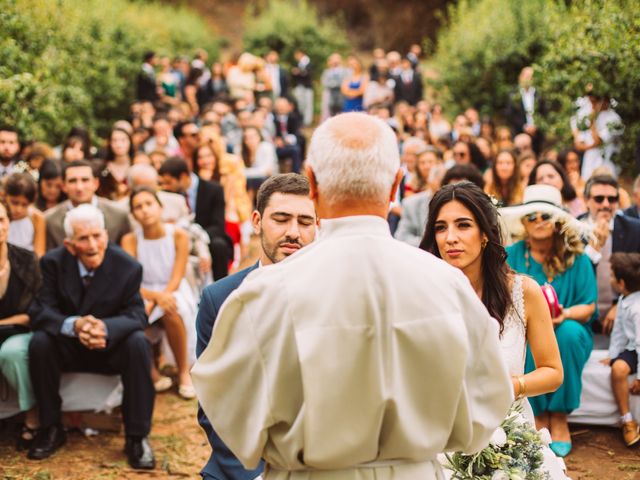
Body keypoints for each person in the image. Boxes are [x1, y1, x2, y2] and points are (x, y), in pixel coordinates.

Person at [192, 112, 513, 479]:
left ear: (311, 182)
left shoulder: (266, 292)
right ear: (396, 185)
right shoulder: (448, 285)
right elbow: (488, 400)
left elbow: (228, 407)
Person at [420, 182, 566, 478]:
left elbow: (553, 372)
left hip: (508, 433)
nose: (450, 238)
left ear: (485, 233)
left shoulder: (523, 292)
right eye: (440, 227)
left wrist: (511, 386)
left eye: (463, 226)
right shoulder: (423, 296)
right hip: (439, 434)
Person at [196, 173, 316, 480]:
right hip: (242, 462)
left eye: (305, 221)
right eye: (281, 218)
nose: (294, 232)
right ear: (256, 220)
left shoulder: (338, 296)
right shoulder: (219, 298)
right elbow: (214, 407)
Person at [27, 204, 155, 468]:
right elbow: (40, 310)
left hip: (109, 348)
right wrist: (74, 326)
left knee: (139, 343)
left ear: (106, 236)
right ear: (70, 244)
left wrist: (105, 329)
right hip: (68, 347)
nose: (93, 244)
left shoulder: (128, 266)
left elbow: (137, 315)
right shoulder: (52, 262)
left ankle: (136, 437)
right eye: (83, 238)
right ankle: (50, 428)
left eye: (97, 236)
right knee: (40, 341)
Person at [501, 184, 597, 457]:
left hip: (570, 325)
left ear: (557, 221)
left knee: (565, 334)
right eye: (532, 216)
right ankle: (539, 414)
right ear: (524, 222)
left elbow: (588, 306)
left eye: (545, 216)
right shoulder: (511, 254)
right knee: (528, 335)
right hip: (523, 324)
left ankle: (559, 417)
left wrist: (563, 314)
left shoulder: (577, 257)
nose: (539, 222)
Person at [122, 187, 196, 399]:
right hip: (142, 290)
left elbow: (178, 274)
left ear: (160, 207)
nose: (144, 210)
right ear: (133, 214)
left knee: (171, 309)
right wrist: (151, 298)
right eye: (138, 207)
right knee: (134, 317)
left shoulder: (178, 235)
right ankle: (152, 374)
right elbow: (131, 280)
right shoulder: (131, 240)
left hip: (173, 287)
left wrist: (161, 297)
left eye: (149, 204)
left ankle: (183, 372)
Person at [0, 199, 41, 450]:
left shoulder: (26, 260)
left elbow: (34, 312)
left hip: (18, 332)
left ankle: (32, 417)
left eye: (1, 220)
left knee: (12, 353)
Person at [579, 175, 640, 334]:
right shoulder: (572, 230)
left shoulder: (634, 230)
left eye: (612, 199)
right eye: (599, 199)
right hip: (583, 316)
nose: (606, 204)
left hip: (626, 318)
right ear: (586, 201)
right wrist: (593, 248)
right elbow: (574, 277)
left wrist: (620, 304)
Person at [158, 158, 232, 280]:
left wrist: (197, 237)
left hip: (207, 236)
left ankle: (221, 287)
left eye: (169, 182)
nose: (166, 186)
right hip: (178, 237)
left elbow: (218, 226)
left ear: (182, 177)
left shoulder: (214, 189)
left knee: (219, 245)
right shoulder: (168, 194)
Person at [600, 252, 640, 446]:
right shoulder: (624, 301)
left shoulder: (637, 308)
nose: (610, 279)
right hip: (634, 348)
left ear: (622, 283)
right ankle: (627, 419)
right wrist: (613, 355)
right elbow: (620, 334)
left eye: (612, 276)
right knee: (618, 369)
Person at [45, 160, 132, 250]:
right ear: (63, 186)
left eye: (85, 180)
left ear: (96, 183)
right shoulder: (50, 220)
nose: (79, 187)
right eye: (72, 181)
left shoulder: (119, 215)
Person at [506, 66, 546, 155]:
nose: (529, 79)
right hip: (519, 132)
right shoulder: (513, 94)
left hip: (537, 135)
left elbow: (544, 113)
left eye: (531, 77)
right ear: (520, 78)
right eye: (526, 76)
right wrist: (524, 127)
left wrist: (536, 126)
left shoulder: (540, 94)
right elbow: (510, 114)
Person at [4, 173, 46, 256]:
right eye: (14, 203)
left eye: (24, 205)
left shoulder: (36, 218)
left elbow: (39, 254)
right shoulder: (2, 216)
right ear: (5, 196)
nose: (19, 210)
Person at [97, 128, 135, 201]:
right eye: (114, 140)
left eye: (123, 140)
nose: (119, 144)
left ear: (130, 142)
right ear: (110, 143)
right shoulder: (103, 168)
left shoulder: (136, 165)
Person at [291, 49, 313, 126]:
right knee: (300, 104)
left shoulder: (308, 62)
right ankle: (300, 120)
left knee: (307, 104)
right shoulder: (297, 63)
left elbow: (308, 73)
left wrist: (299, 72)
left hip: (307, 86)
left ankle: (307, 121)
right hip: (299, 86)